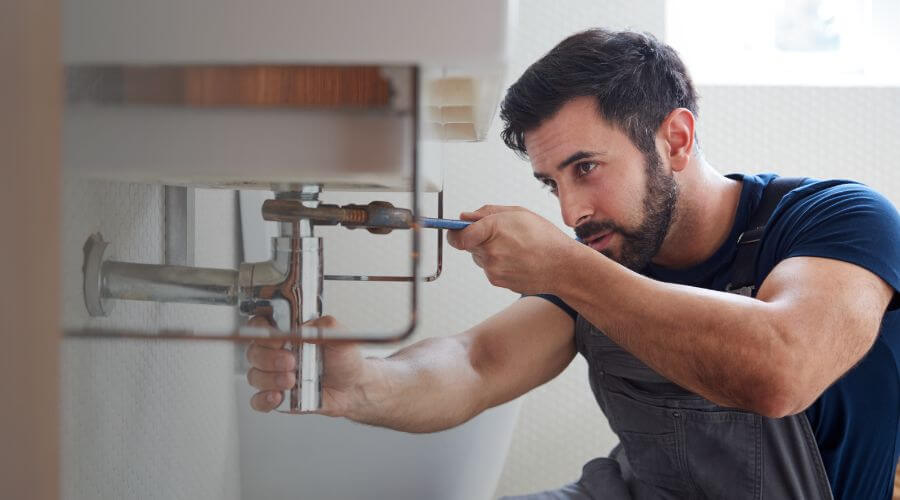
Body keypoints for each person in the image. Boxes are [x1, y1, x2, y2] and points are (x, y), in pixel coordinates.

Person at [245, 28, 900, 499]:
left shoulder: (838, 220)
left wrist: (565, 268)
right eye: (551, 182)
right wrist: (363, 382)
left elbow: (781, 370)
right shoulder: (607, 254)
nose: (571, 212)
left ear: (675, 139)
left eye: (586, 168)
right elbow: (476, 362)